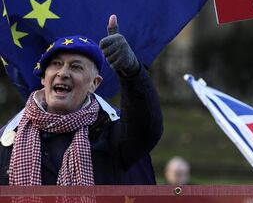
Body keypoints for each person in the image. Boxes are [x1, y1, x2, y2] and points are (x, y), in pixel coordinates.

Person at [0, 15, 163, 185]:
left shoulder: (113, 131)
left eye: (76, 67)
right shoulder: (9, 137)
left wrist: (132, 72)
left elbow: (146, 129)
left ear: (94, 83)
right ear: (43, 78)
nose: (62, 73)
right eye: (56, 64)